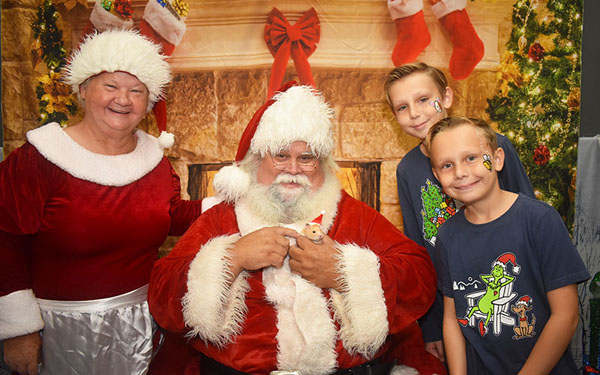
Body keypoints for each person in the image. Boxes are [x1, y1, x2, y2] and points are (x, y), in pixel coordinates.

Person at [148, 82, 438, 375]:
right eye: (281, 156)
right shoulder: (224, 216)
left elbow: (420, 277)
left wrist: (344, 271)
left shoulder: (351, 213)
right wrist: (231, 259)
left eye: (306, 158)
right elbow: (162, 295)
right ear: (258, 158)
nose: (293, 169)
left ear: (321, 163)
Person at [0, 29, 203, 375]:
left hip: (144, 328)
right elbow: (5, 241)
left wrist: (243, 199)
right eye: (110, 86)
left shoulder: (155, 162)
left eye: (136, 90)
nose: (123, 99)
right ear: (82, 89)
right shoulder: (37, 160)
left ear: (148, 102)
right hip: (57, 333)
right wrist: (19, 330)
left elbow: (171, 216)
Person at [384, 62, 535, 365]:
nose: (414, 113)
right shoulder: (407, 170)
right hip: (453, 310)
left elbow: (527, 218)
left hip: (512, 299)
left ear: (447, 98)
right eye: (402, 107)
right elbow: (418, 252)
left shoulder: (491, 147)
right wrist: (430, 327)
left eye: (424, 99)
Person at [428, 116, 590, 374]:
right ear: (437, 175)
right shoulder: (447, 235)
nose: (460, 172)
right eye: (447, 165)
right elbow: (451, 317)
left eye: (471, 158)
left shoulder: (540, 220)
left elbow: (566, 316)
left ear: (497, 159)